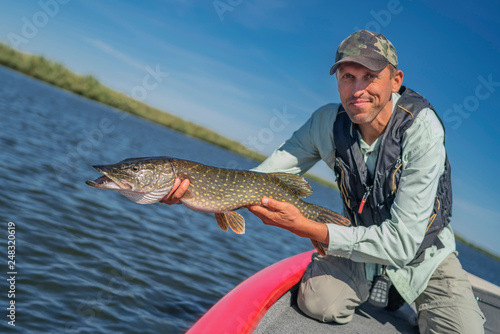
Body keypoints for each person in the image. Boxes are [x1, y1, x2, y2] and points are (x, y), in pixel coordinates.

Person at [161, 30, 485, 333]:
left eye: (370, 76)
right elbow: (262, 177)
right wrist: (195, 189)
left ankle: (397, 292)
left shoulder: (422, 130)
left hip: (424, 255)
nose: (358, 89)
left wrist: (309, 228)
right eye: (347, 77)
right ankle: (378, 286)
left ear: (396, 81)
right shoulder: (326, 123)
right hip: (357, 241)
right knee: (319, 303)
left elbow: (403, 243)